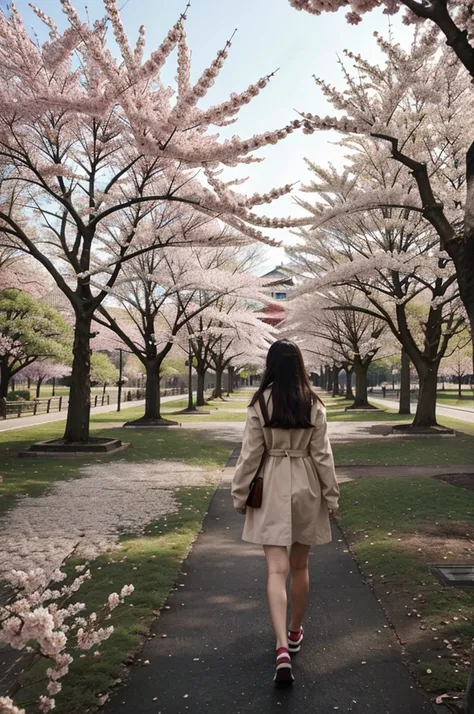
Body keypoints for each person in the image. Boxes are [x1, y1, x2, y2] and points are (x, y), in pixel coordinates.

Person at [231, 340, 340, 687]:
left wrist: (239, 493)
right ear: (300, 365)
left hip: (271, 485)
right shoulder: (313, 403)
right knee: (300, 566)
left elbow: (250, 454)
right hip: (307, 484)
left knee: (276, 569)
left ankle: (280, 645)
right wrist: (332, 497)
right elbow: (323, 456)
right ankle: (294, 633)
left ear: (270, 365)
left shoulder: (260, 404)